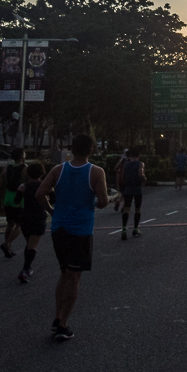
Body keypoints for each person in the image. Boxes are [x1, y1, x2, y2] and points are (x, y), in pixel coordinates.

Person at [36, 134, 109, 342]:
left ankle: (58, 317)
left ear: (72, 149)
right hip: (81, 230)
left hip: (59, 228)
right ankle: (63, 324)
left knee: (64, 273)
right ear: (91, 150)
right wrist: (97, 201)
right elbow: (103, 201)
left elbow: (39, 194)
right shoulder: (96, 172)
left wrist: (51, 211)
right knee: (74, 276)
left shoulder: (58, 170)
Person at [15, 163, 50, 283]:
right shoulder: (45, 186)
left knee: (29, 243)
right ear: (42, 173)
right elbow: (54, 199)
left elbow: (16, 201)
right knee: (33, 246)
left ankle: (28, 267)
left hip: (25, 217)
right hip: (38, 217)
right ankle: (25, 270)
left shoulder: (23, 186)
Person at [0, 149, 27, 259]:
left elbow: (1, 184)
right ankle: (7, 244)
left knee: (10, 224)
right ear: (22, 156)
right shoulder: (25, 168)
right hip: (19, 199)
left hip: (7, 198)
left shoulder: (7, 168)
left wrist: (0, 199)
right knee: (19, 224)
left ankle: (8, 248)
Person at [116, 148, 146, 239]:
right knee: (137, 209)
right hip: (137, 188)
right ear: (139, 155)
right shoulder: (140, 164)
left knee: (126, 208)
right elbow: (140, 173)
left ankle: (124, 229)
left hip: (128, 188)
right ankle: (135, 229)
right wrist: (144, 179)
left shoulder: (126, 165)